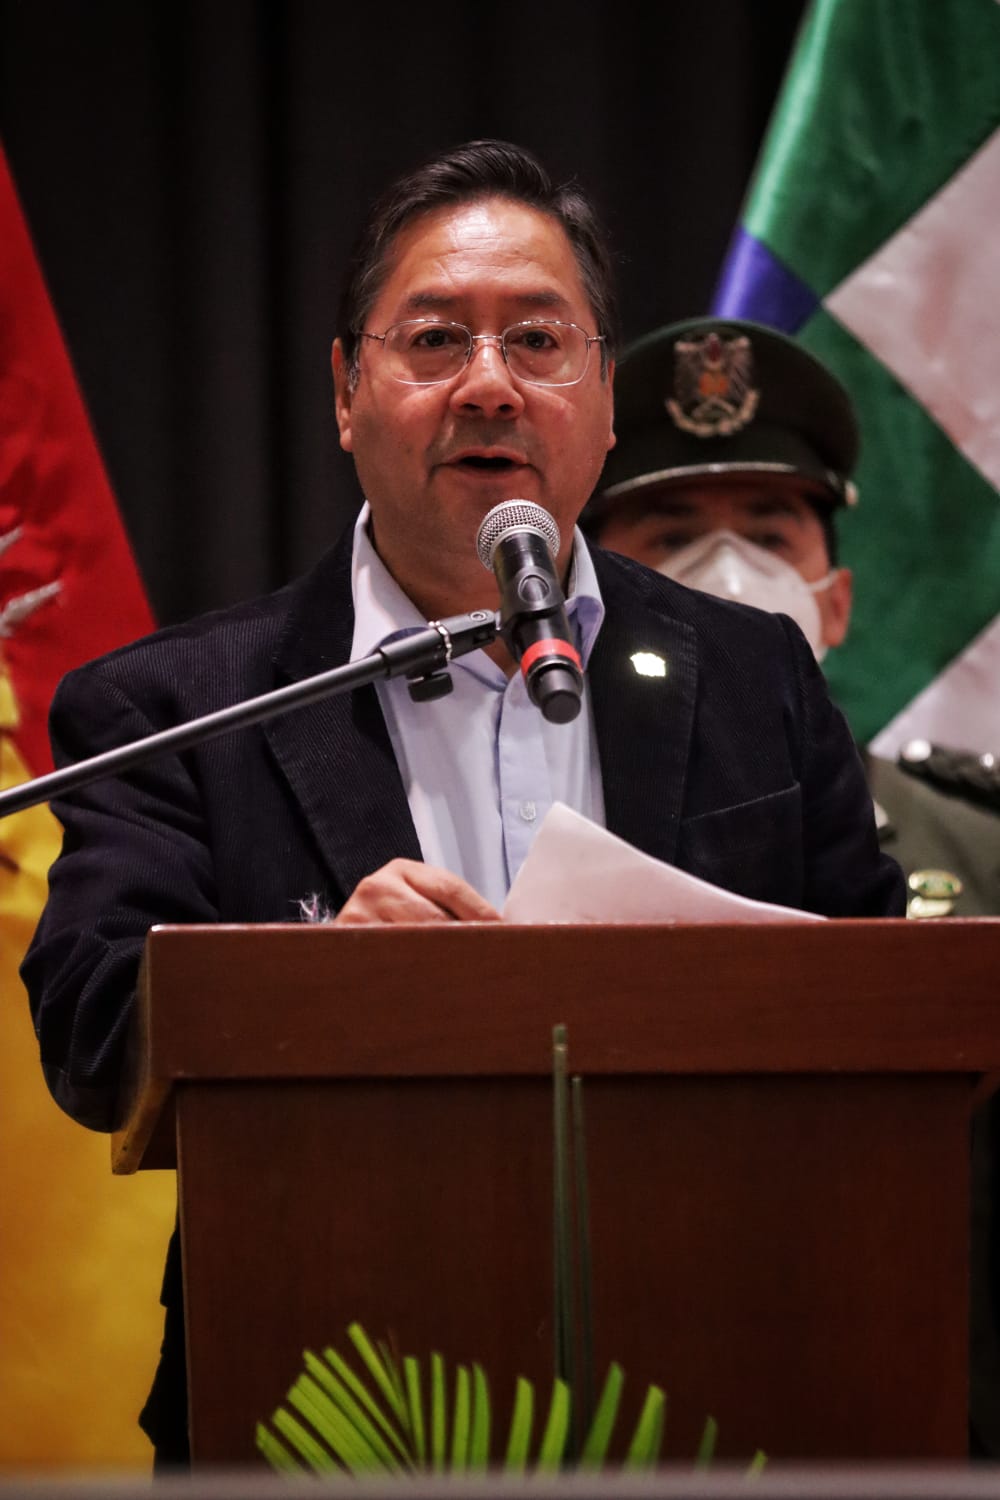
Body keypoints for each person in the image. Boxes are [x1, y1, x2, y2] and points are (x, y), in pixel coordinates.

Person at [20, 146, 904, 1468]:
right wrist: (316, 989)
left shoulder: (755, 676)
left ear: (604, 401)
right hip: (330, 1401)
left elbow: (889, 1018)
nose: (490, 383)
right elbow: (92, 1032)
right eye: (435, 339)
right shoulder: (174, 708)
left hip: (718, 1385)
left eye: (538, 341)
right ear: (345, 392)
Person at [580, 313, 1000, 1453]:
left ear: (837, 601)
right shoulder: (532, 826)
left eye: (769, 533)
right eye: (673, 534)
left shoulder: (977, 848)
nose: (730, 575)